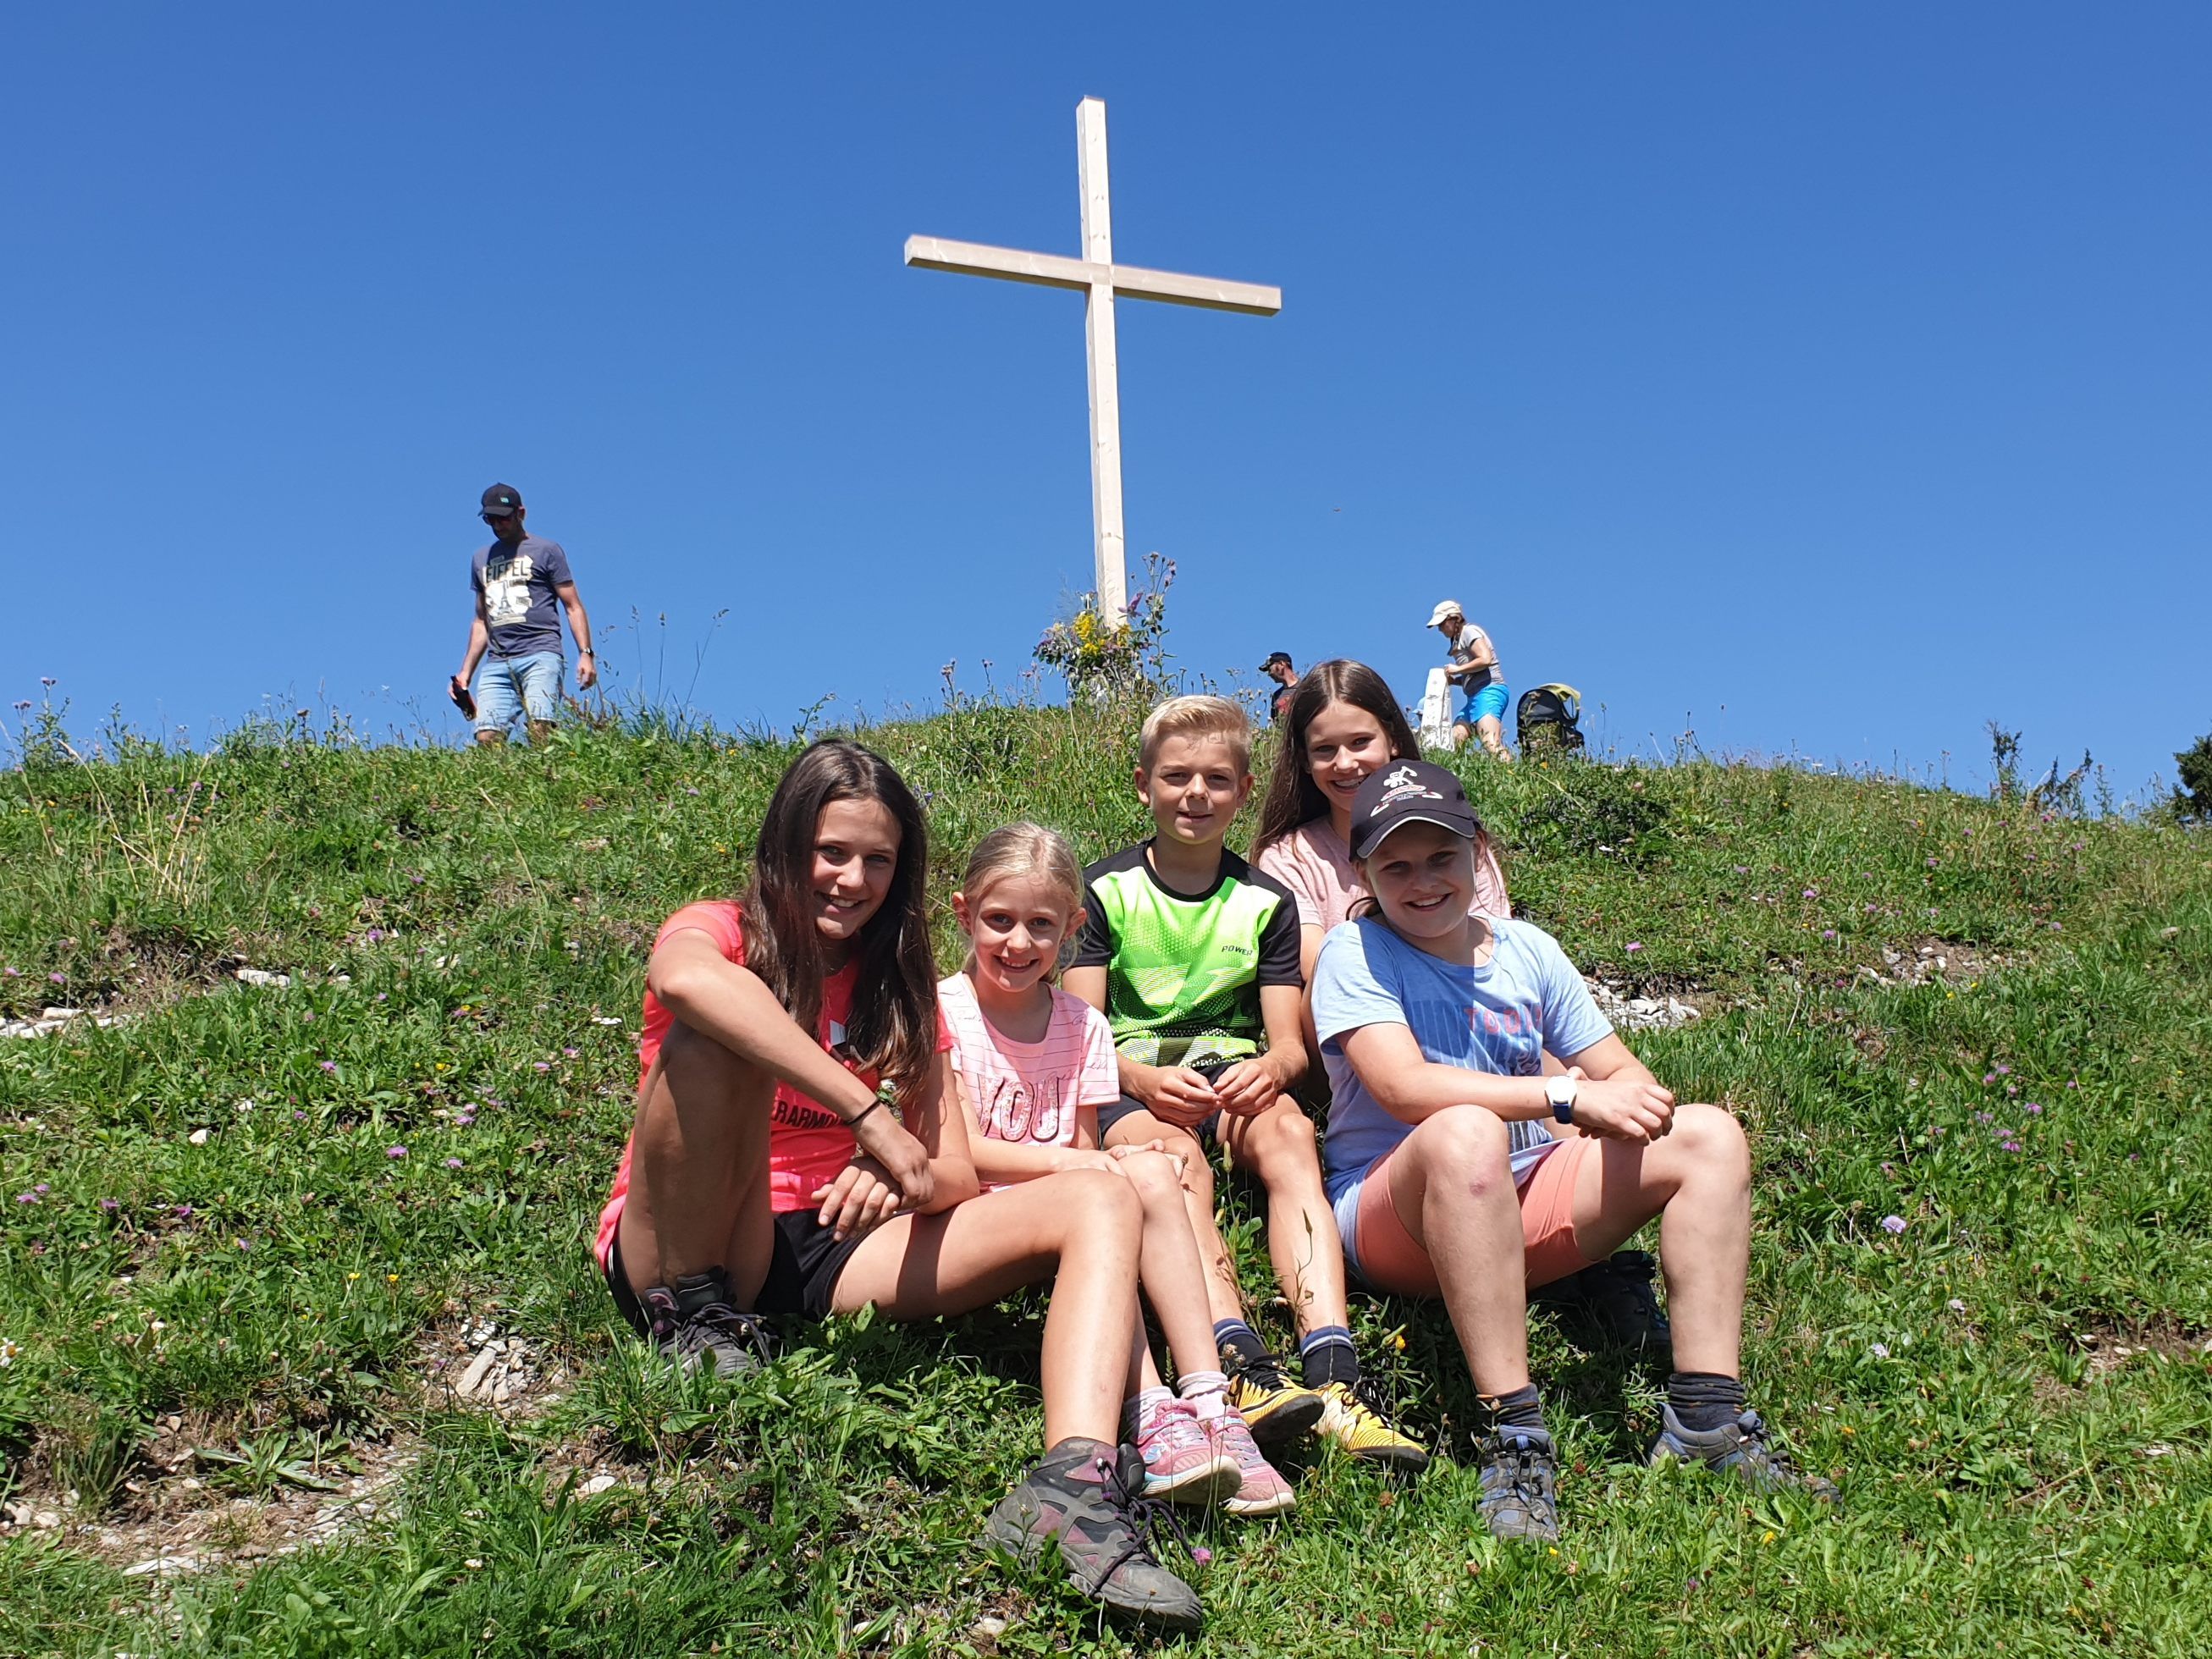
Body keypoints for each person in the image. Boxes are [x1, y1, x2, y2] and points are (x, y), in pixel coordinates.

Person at [595, 740, 1201, 1629]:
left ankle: (1072, 1489)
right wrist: (865, 1113)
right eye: (830, 851)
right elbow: (682, 980)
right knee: (714, 1035)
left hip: (830, 1246)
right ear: (784, 842)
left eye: (877, 860)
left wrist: (894, 1171)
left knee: (1103, 1195)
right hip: (696, 1235)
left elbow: (949, 1165)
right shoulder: (722, 930)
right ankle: (692, 1315)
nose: (851, 878)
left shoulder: (901, 982)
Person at [1310, 759, 1837, 1542]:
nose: (1422, 881)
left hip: (1521, 1195)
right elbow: (1403, 1089)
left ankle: (1706, 1414)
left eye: (1441, 858)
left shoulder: (1527, 949)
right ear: (1365, 871)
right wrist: (1564, 1098)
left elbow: (1621, 1072)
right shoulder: (1355, 952)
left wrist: (1624, 1105)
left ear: (1477, 854)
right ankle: (1514, 1435)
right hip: (1395, 1218)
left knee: (1707, 1136)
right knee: (1462, 1130)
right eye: (1396, 865)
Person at [1251, 662, 1664, 1348]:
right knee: (1354, 967)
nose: (1345, 763)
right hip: (1359, 1043)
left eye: (1360, 742)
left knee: (1556, 1048)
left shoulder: (1460, 836)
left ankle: (1598, 1247)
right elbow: (1315, 962)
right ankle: (1570, 1239)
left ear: (1393, 739)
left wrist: (1584, 1085)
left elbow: (1492, 957)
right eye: (1323, 750)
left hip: (1475, 1034)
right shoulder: (1290, 856)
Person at [1065, 694, 1427, 1471]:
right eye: (1176, 778)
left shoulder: (1266, 902)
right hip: (1133, 1080)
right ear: (1143, 786)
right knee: (1174, 1165)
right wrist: (1137, 1077)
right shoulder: (1101, 893)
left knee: (1294, 1134)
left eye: (1216, 780)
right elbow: (1081, 1034)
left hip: (1230, 1075)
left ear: (1241, 789)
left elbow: (1290, 1048)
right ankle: (1239, 1363)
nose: (1195, 794)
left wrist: (1265, 1073)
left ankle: (1331, 1367)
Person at [942, 823, 1294, 1517]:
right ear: (963, 914)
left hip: (1064, 1203)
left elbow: (1079, 1144)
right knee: (1110, 1181)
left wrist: (1099, 1163)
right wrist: (1083, 1164)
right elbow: (957, 1152)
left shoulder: (1083, 1026)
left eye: (1041, 926)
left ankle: (1209, 1404)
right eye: (999, 921)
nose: (1019, 944)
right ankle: (1148, 1409)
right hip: (975, 1212)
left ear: (1072, 928)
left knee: (1152, 1172)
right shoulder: (941, 1009)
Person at [453, 483, 597, 747]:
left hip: (541, 653)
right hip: (498, 663)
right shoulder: (480, 558)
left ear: (521, 513)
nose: (498, 525)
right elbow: (481, 620)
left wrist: (586, 654)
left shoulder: (547, 551)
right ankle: (503, 786)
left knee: (540, 728)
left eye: (503, 518)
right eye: (490, 519)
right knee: (487, 737)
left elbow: (573, 605)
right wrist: (465, 673)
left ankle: (549, 781)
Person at [1426, 599, 1509, 759]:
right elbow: (1473, 673)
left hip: (1489, 691)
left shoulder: (1469, 632)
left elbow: (1485, 659)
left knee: (1490, 743)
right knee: (1456, 738)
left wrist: (1457, 669)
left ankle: (1513, 777)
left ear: (1454, 619)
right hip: (1475, 697)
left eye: (1442, 624)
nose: (1440, 629)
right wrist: (1456, 681)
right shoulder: (1458, 639)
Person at [1260, 652, 1298, 725]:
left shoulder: (1305, 688)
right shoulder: (1276, 695)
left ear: (1281, 664)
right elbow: (1275, 724)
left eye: (1269, 669)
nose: (1269, 674)